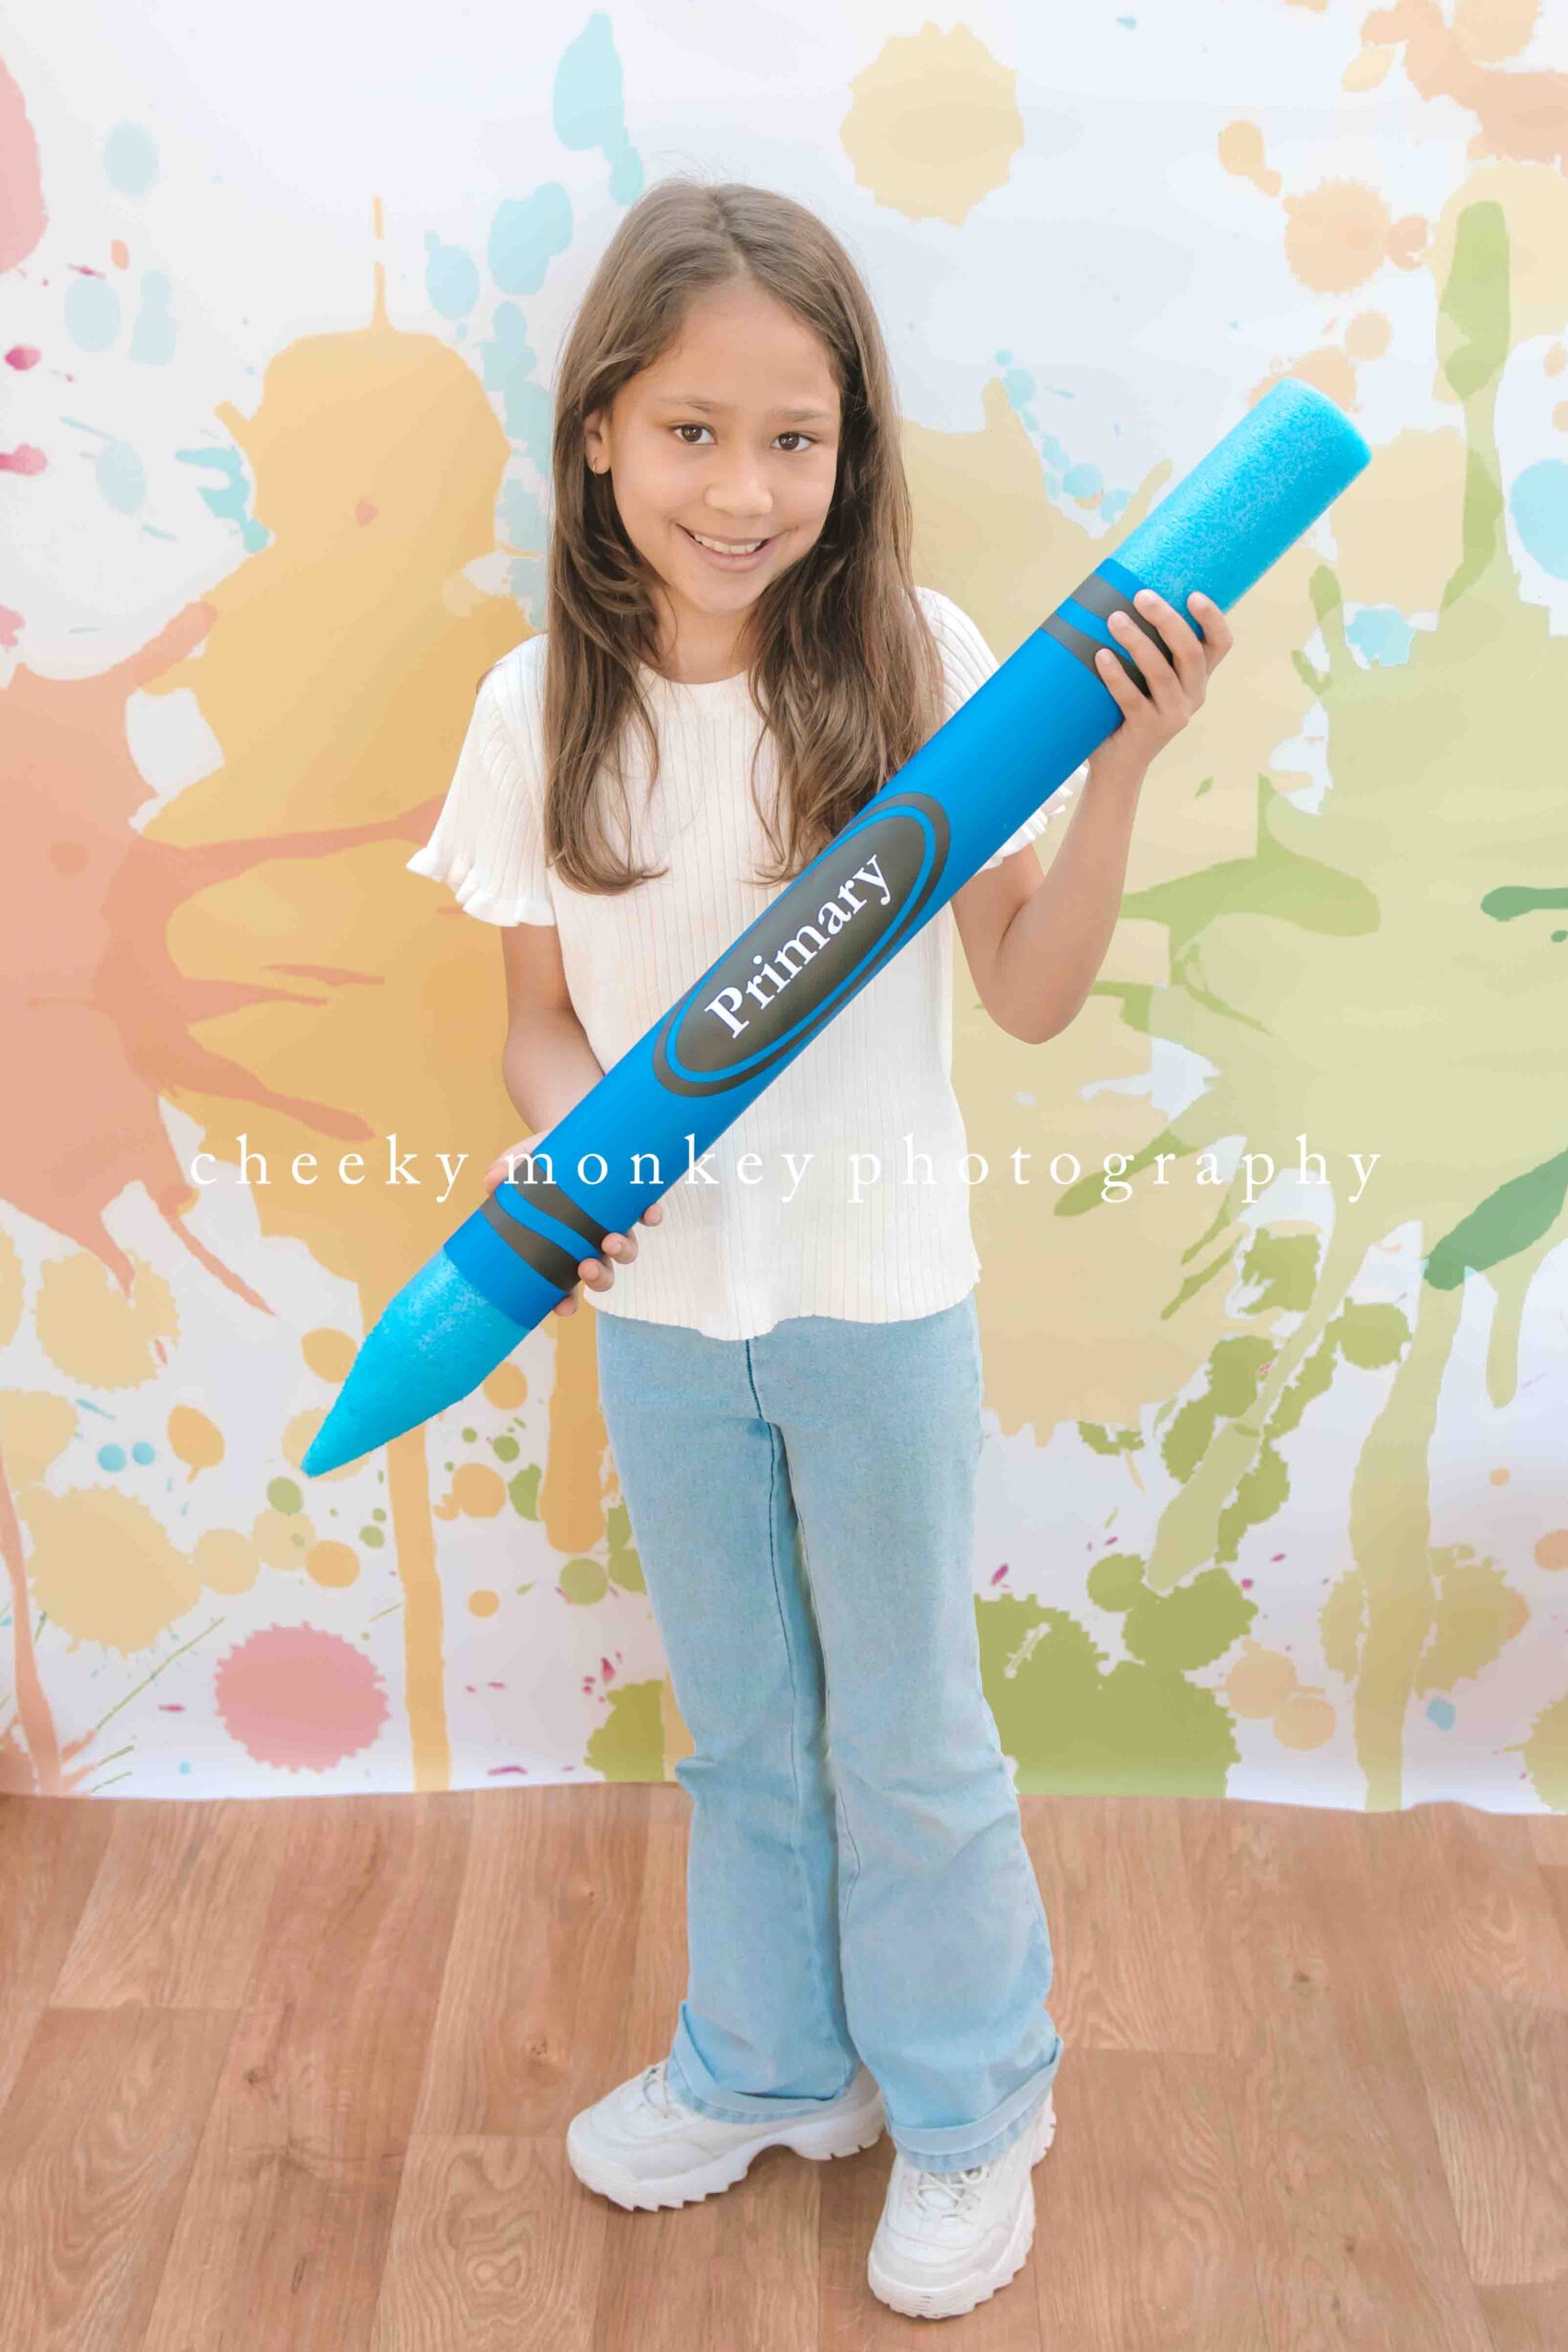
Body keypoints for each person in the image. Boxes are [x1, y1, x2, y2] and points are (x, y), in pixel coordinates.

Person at [406, 176, 1232, 2323]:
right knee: (742, 1728)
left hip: (876, 1306)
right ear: (600, 428)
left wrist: (1119, 772)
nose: (743, 488)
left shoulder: (917, 663)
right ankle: (773, 2064)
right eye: (691, 430)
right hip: (665, 1320)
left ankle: (968, 2105)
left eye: (795, 435)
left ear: (851, 445)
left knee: (909, 1731)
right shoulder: (536, 707)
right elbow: (535, 1021)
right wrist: (566, 1151)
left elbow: (1026, 993)